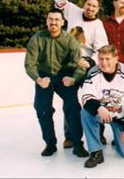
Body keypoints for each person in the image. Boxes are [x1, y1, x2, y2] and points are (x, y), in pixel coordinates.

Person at [24, 8, 89, 158]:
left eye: (56, 19)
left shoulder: (70, 41)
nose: (53, 22)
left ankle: (77, 144)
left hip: (64, 76)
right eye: (50, 19)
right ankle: (50, 144)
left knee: (73, 107)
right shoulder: (37, 39)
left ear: (62, 22)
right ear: (47, 21)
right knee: (42, 109)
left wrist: (73, 79)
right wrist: (38, 79)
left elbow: (79, 64)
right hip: (44, 76)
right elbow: (29, 64)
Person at [54, 0, 109, 147]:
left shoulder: (98, 25)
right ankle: (70, 136)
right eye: (88, 4)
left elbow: (101, 49)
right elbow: (58, 2)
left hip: (87, 63)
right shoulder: (73, 11)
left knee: (94, 98)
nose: (90, 8)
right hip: (69, 61)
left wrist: (90, 62)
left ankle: (99, 133)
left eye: (94, 6)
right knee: (69, 99)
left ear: (98, 9)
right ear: (84, 4)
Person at [80, 45, 124, 168]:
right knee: (85, 113)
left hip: (121, 118)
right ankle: (96, 152)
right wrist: (99, 107)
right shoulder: (93, 72)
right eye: (101, 59)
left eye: (107, 59)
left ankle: (123, 136)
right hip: (103, 114)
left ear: (116, 59)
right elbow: (86, 96)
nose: (104, 62)